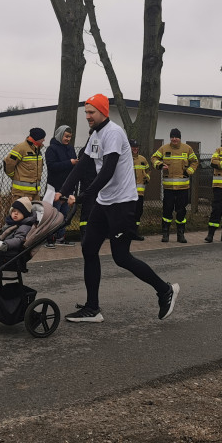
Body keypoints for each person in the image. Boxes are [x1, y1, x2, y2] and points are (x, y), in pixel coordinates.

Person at [56, 94, 179, 323]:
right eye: (86, 112)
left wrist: (83, 197)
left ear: (103, 111)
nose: (87, 116)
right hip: (104, 202)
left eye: (91, 112)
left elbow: (108, 170)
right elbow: (82, 166)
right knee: (89, 249)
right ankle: (93, 308)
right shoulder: (95, 135)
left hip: (122, 204)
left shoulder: (113, 133)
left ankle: (165, 290)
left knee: (121, 257)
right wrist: (62, 191)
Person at [151, 128, 198, 243]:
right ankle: (165, 233)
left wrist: (189, 171)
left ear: (180, 138)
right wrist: (160, 164)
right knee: (167, 211)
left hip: (183, 188)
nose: (174, 139)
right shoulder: (164, 148)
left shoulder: (187, 148)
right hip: (168, 188)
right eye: (172, 137)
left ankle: (180, 234)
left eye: (176, 137)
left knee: (181, 211)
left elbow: (195, 161)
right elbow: (154, 158)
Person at [44, 125, 77, 247]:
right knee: (54, 213)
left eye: (70, 137)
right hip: (55, 187)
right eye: (66, 136)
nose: (68, 139)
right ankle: (50, 239)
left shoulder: (70, 148)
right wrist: (70, 163)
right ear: (60, 135)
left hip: (68, 187)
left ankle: (61, 237)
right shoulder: (52, 149)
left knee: (64, 214)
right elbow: (52, 166)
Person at [4, 128, 45, 200]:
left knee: (36, 211)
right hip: (21, 193)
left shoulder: (37, 150)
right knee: (19, 211)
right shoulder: (20, 148)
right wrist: (14, 176)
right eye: (42, 138)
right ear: (37, 138)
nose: (44, 140)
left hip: (35, 193)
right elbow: (8, 164)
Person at [131, 139, 150, 239]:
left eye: (137, 147)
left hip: (140, 193)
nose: (135, 148)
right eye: (133, 147)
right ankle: (127, 232)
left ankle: (135, 232)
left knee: (138, 212)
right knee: (129, 213)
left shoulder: (142, 159)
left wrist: (147, 177)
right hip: (128, 194)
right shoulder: (125, 158)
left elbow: (148, 170)